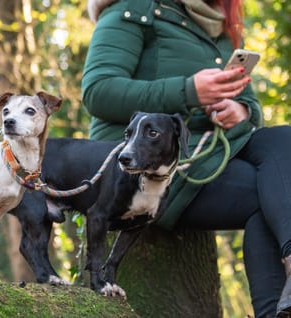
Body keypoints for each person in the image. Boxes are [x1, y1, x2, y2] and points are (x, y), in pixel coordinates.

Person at [82, 0, 291, 317]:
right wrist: (187, 91)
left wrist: (243, 110)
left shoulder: (219, 25)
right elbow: (98, 91)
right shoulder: (133, 9)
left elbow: (245, 97)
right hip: (147, 165)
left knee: (283, 138)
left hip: (210, 147)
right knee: (263, 196)